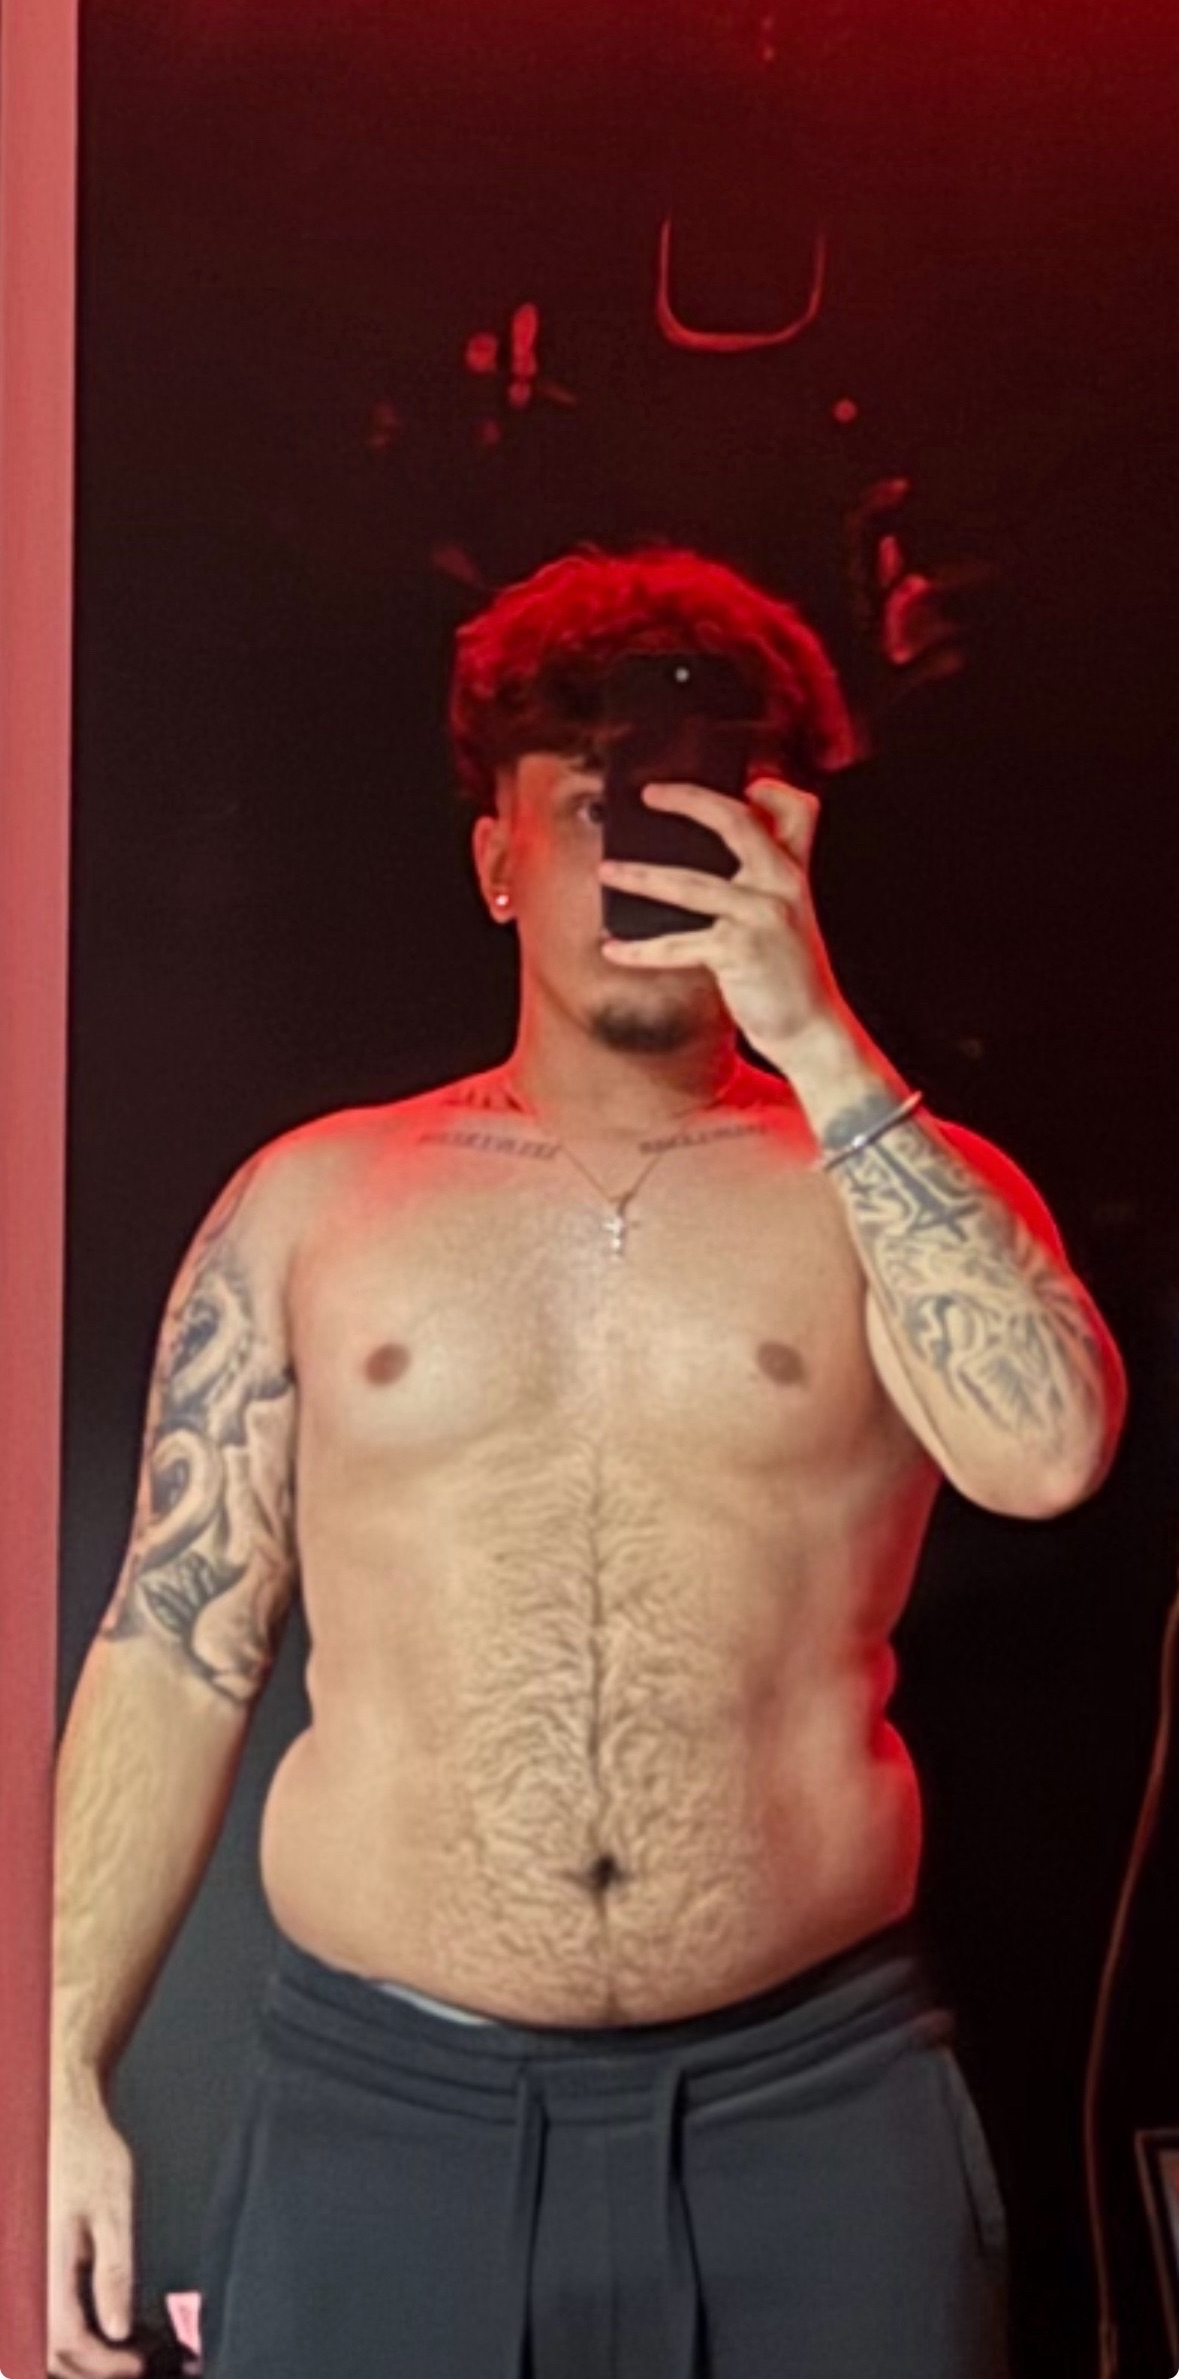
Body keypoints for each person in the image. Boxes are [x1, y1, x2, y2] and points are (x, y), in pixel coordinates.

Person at [49, 543, 1126, 2379]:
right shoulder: (316, 1202)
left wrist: (814, 1033)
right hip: (387, 2117)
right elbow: (174, 1643)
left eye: (703, 816)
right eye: (593, 808)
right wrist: (53, 2064)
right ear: (497, 859)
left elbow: (1047, 1455)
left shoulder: (890, 1185)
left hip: (814, 2108)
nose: (647, 866)